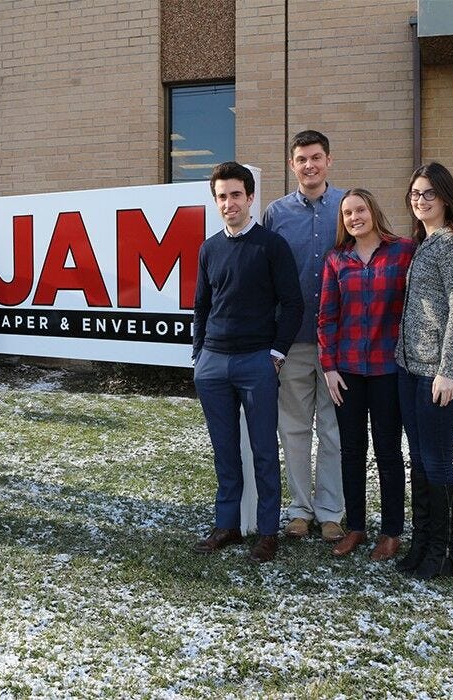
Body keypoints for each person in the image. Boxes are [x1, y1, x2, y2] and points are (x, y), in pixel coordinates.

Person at [192, 162, 304, 563]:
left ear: (251, 197)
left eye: (236, 195)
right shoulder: (209, 248)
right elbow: (202, 306)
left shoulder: (271, 246)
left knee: (261, 450)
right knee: (224, 450)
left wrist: (276, 353)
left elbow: (293, 303)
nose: (229, 203)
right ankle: (228, 526)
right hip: (213, 365)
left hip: (257, 362)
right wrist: (199, 353)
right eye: (221, 196)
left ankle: (268, 531)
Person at [395, 162, 453, 580]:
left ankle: (445, 551)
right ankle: (423, 544)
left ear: (446, 198)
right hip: (411, 368)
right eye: (415, 193)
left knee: (436, 461)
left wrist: (448, 370)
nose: (420, 199)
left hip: (440, 373)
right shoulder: (426, 243)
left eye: (429, 193)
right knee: (420, 460)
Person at [317, 189, 416, 560]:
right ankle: (356, 527)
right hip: (347, 372)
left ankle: (391, 533)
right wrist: (329, 367)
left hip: (388, 369)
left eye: (359, 210)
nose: (354, 217)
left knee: (388, 452)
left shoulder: (403, 251)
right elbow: (326, 317)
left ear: (373, 210)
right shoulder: (336, 260)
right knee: (351, 451)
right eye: (347, 213)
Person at [263, 129, 346, 542]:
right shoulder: (276, 214)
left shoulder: (349, 208)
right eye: (302, 159)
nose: (309, 165)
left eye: (316, 157)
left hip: (339, 343)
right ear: (291, 165)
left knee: (333, 429)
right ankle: (299, 509)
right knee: (293, 428)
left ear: (329, 160)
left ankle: (331, 511)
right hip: (292, 339)